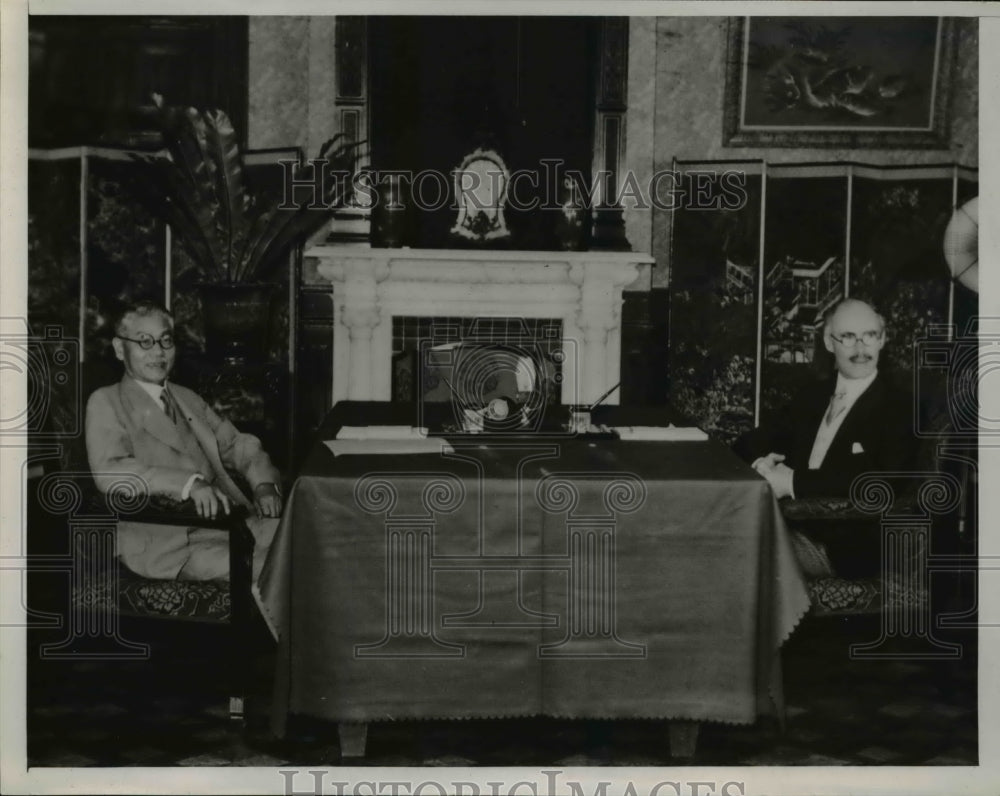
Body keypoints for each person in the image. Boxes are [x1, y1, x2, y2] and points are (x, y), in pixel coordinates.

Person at [85, 300, 282, 581]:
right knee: (276, 569)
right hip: (168, 542)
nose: (158, 352)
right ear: (120, 349)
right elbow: (110, 471)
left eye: (166, 341)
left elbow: (238, 446)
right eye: (144, 342)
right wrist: (188, 484)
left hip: (228, 524)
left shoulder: (186, 397)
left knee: (309, 543)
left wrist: (264, 484)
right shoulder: (106, 401)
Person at [734, 298, 917, 576]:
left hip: (846, 548)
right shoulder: (812, 396)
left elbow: (881, 479)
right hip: (789, 527)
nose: (860, 349)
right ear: (829, 342)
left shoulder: (900, 407)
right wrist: (762, 463)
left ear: (882, 340)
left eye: (870, 336)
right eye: (848, 337)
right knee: (716, 539)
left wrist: (791, 482)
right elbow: (750, 442)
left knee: (734, 553)